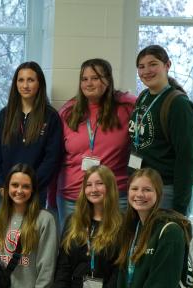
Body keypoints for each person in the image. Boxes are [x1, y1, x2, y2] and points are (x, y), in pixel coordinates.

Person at [51, 59, 136, 228]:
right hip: (72, 196)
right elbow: (55, 158)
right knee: (73, 249)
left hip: (115, 196)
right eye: (84, 79)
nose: (89, 83)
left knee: (115, 250)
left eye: (95, 78)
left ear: (107, 80)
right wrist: (51, 197)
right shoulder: (68, 112)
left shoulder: (127, 107)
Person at [41, 165, 122, 288]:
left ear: (110, 187)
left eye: (99, 184)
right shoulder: (73, 221)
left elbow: (117, 279)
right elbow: (62, 266)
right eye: (89, 185)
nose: (93, 189)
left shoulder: (121, 225)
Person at [114, 168, 192, 288]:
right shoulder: (130, 229)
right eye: (134, 189)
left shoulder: (170, 232)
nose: (139, 194)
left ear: (158, 194)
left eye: (147, 190)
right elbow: (121, 284)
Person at [129, 45, 193, 217]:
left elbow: (187, 157)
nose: (146, 71)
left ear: (167, 65)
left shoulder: (178, 105)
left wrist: (179, 207)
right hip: (142, 187)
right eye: (141, 66)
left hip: (166, 191)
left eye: (153, 64)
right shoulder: (143, 97)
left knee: (165, 242)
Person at [0, 62, 62, 209]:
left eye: (30, 80)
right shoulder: (4, 116)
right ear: (15, 84)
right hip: (6, 192)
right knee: (6, 232)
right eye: (21, 80)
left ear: (39, 83)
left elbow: (52, 159)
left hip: (35, 192)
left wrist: (31, 187)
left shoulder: (51, 117)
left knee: (31, 232)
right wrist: (2, 186)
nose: (25, 85)